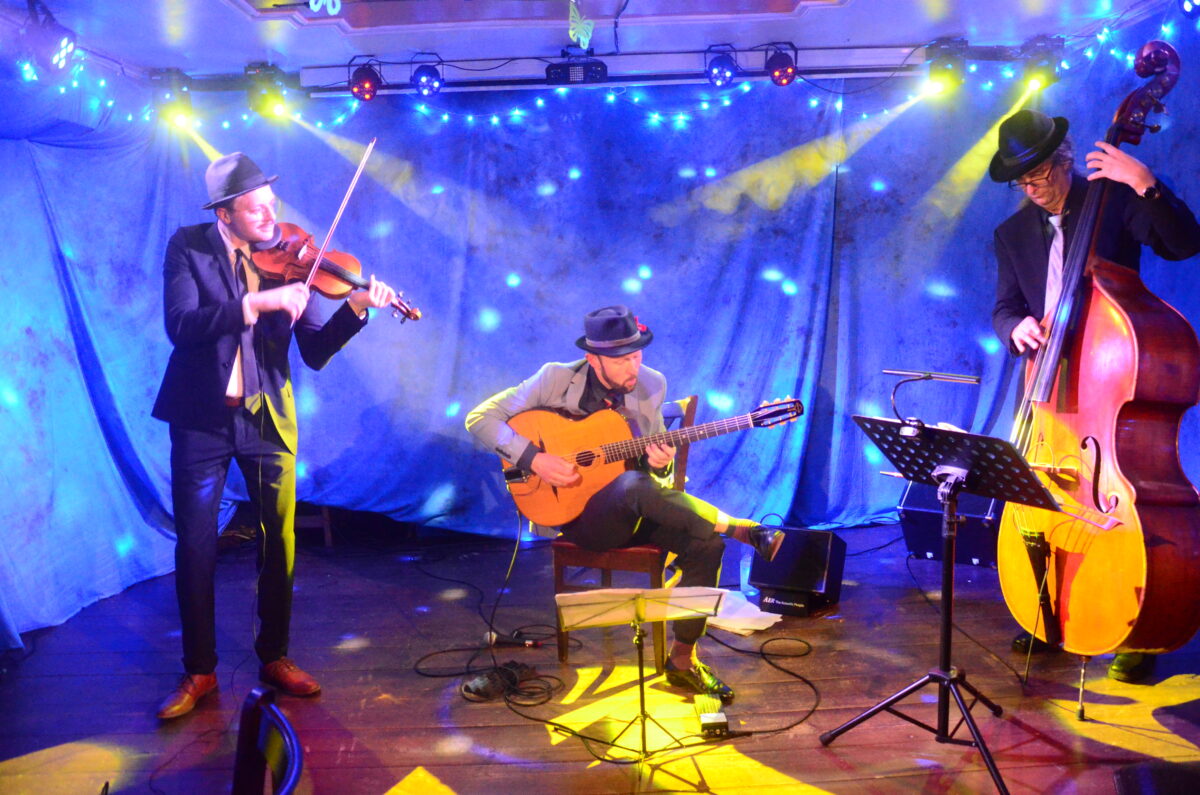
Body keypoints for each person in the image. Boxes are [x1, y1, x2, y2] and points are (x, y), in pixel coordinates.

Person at [152, 152, 398, 719]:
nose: (270, 216)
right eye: (254, 208)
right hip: (200, 417)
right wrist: (256, 302)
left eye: (271, 204)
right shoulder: (188, 247)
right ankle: (200, 671)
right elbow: (181, 325)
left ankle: (275, 655)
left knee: (279, 541)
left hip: (267, 417)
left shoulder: (295, 263)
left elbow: (312, 351)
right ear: (225, 214)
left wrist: (355, 311)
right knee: (195, 545)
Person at [465, 305, 785, 703]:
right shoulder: (554, 379)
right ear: (592, 358)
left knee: (707, 546)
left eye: (637, 355)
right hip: (580, 516)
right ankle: (742, 528)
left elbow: (654, 479)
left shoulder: (652, 384)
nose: (633, 367)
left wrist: (660, 464)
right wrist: (536, 459)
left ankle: (683, 662)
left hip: (637, 504)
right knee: (632, 484)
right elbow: (479, 419)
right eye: (621, 359)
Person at [989, 109, 1200, 682]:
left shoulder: (1111, 202)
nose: (1033, 190)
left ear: (1064, 160)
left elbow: (1185, 243)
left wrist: (1145, 183)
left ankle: (1134, 623)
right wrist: (1015, 328)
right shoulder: (1010, 235)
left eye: (1041, 176)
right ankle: (1048, 607)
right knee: (1034, 494)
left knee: (1122, 498)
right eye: (1022, 183)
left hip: (1109, 379)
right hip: (1048, 387)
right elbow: (1005, 305)